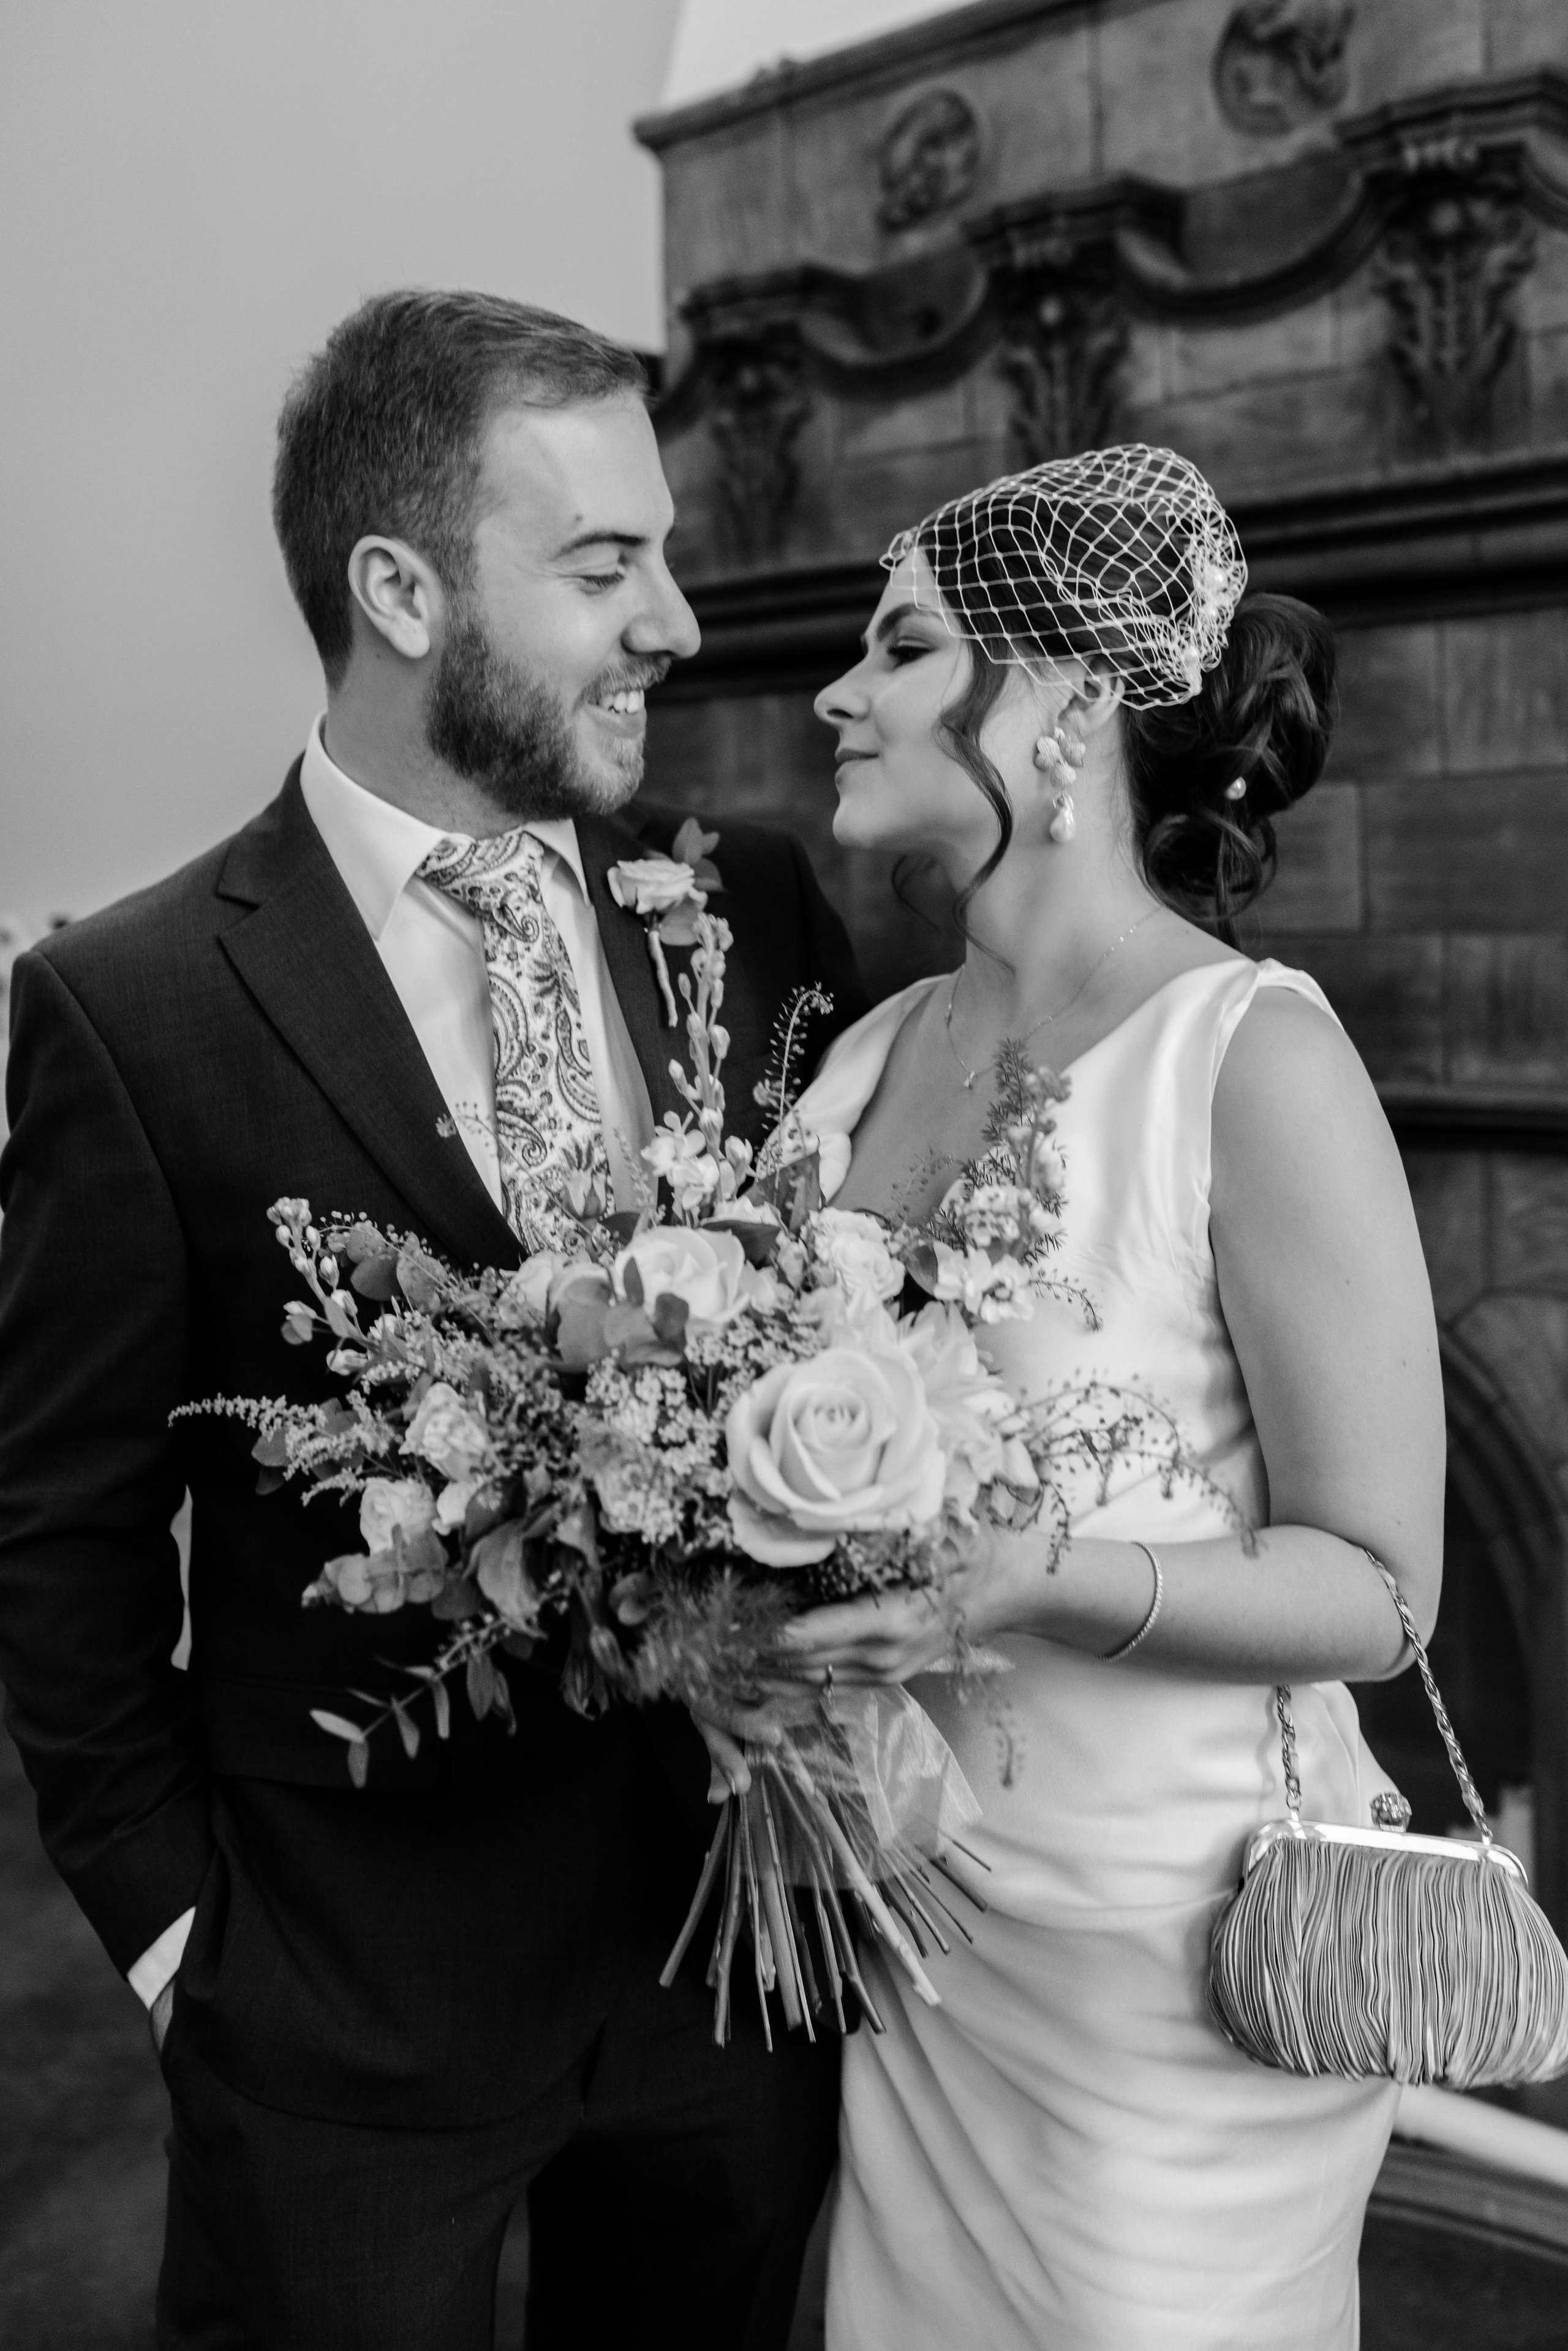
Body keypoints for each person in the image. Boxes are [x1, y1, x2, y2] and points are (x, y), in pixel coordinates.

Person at [0, 290, 865, 2350]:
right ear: (399, 588)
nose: (673, 619)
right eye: (601, 566)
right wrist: (177, 1940)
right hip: (334, 2015)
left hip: (726, 1973)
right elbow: (62, 1532)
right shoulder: (133, 1011)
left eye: (660, 554)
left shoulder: (747, 908)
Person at [783, 447, 1446, 2350]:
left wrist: (1046, 1576)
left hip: (1175, 1995)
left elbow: (1383, 1590)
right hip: (907, 1953)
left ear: (1067, 702)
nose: (841, 694)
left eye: (900, 647)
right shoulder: (876, 1049)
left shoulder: (1254, 1059)